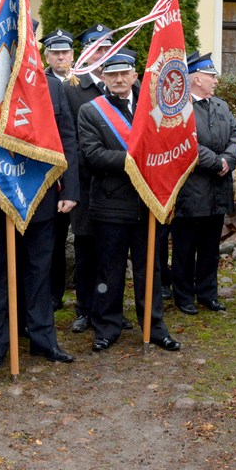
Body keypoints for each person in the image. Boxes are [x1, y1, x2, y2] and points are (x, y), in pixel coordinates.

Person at [77, 51, 181, 352]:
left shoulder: (155, 107)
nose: (119, 80)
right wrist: (137, 159)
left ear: (135, 75)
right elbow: (93, 155)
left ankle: (154, 325)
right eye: (112, 75)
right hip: (110, 204)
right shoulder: (91, 111)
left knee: (150, 269)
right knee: (109, 270)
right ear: (104, 78)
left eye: (124, 74)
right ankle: (107, 327)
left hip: (149, 202)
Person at [0, 73, 80, 371]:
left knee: (39, 271)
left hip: (40, 192)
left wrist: (70, 188)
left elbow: (66, 138)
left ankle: (43, 339)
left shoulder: (52, 85)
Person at [170, 52, 236, 315]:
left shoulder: (220, 105)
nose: (215, 81)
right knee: (185, 249)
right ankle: (184, 295)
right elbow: (184, 141)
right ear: (197, 78)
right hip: (191, 191)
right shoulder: (179, 108)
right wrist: (216, 162)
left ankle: (208, 293)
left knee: (211, 248)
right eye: (212, 76)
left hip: (217, 191)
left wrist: (228, 159)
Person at [63, 24, 114, 334]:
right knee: (85, 251)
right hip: (85, 182)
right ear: (85, 51)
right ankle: (84, 309)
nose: (100, 52)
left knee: (112, 251)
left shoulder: (119, 85)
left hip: (117, 186)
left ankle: (109, 308)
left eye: (105, 47)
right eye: (95, 47)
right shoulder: (71, 87)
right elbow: (68, 139)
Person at [41, 28, 77, 310]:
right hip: (47, 175)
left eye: (65, 52)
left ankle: (59, 292)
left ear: (73, 55)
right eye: (55, 53)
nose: (61, 57)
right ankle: (49, 294)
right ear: (47, 56)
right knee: (48, 241)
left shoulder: (84, 82)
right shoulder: (40, 82)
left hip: (74, 174)